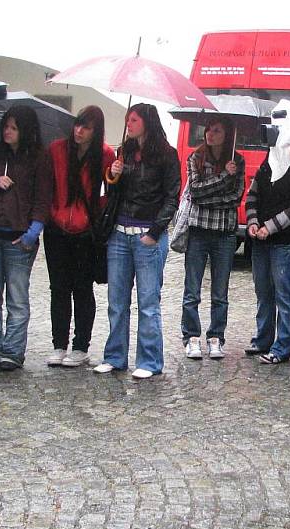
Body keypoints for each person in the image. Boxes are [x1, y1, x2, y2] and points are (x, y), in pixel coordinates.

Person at [93, 103, 180, 379]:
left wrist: (154, 232)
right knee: (116, 301)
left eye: (133, 120)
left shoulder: (167, 155)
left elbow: (171, 197)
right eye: (128, 120)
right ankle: (115, 356)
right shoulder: (125, 151)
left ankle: (150, 360)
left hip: (147, 237)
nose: (128, 124)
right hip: (120, 233)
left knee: (148, 302)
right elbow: (113, 190)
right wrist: (114, 175)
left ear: (147, 122)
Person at [0, 106, 53, 371]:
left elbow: (43, 198)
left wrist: (32, 232)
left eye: (14, 127)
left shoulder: (39, 158)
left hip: (19, 237)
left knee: (17, 298)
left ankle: (12, 349)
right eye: (6, 126)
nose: (8, 131)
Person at [44, 106, 115, 368]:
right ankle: (59, 344)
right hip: (57, 229)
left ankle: (81, 346)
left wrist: (115, 176)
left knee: (83, 289)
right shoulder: (57, 150)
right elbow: (48, 185)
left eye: (86, 127)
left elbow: (110, 190)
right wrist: (51, 213)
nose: (79, 130)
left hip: (86, 232)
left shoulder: (105, 154)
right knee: (58, 288)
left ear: (95, 131)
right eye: (77, 124)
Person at [181, 116, 244, 360]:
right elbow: (195, 192)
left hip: (225, 235)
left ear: (226, 134)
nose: (210, 134)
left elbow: (235, 199)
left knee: (220, 293)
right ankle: (191, 337)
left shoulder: (237, 160)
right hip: (198, 232)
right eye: (208, 130)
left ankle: (216, 337)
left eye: (216, 130)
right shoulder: (196, 157)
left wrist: (212, 194)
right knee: (192, 291)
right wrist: (224, 179)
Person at [245, 154, 290, 364]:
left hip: (286, 241)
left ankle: (282, 347)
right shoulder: (266, 165)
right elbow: (252, 196)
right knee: (263, 293)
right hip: (260, 241)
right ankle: (263, 339)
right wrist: (252, 221)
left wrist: (270, 227)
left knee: (285, 297)